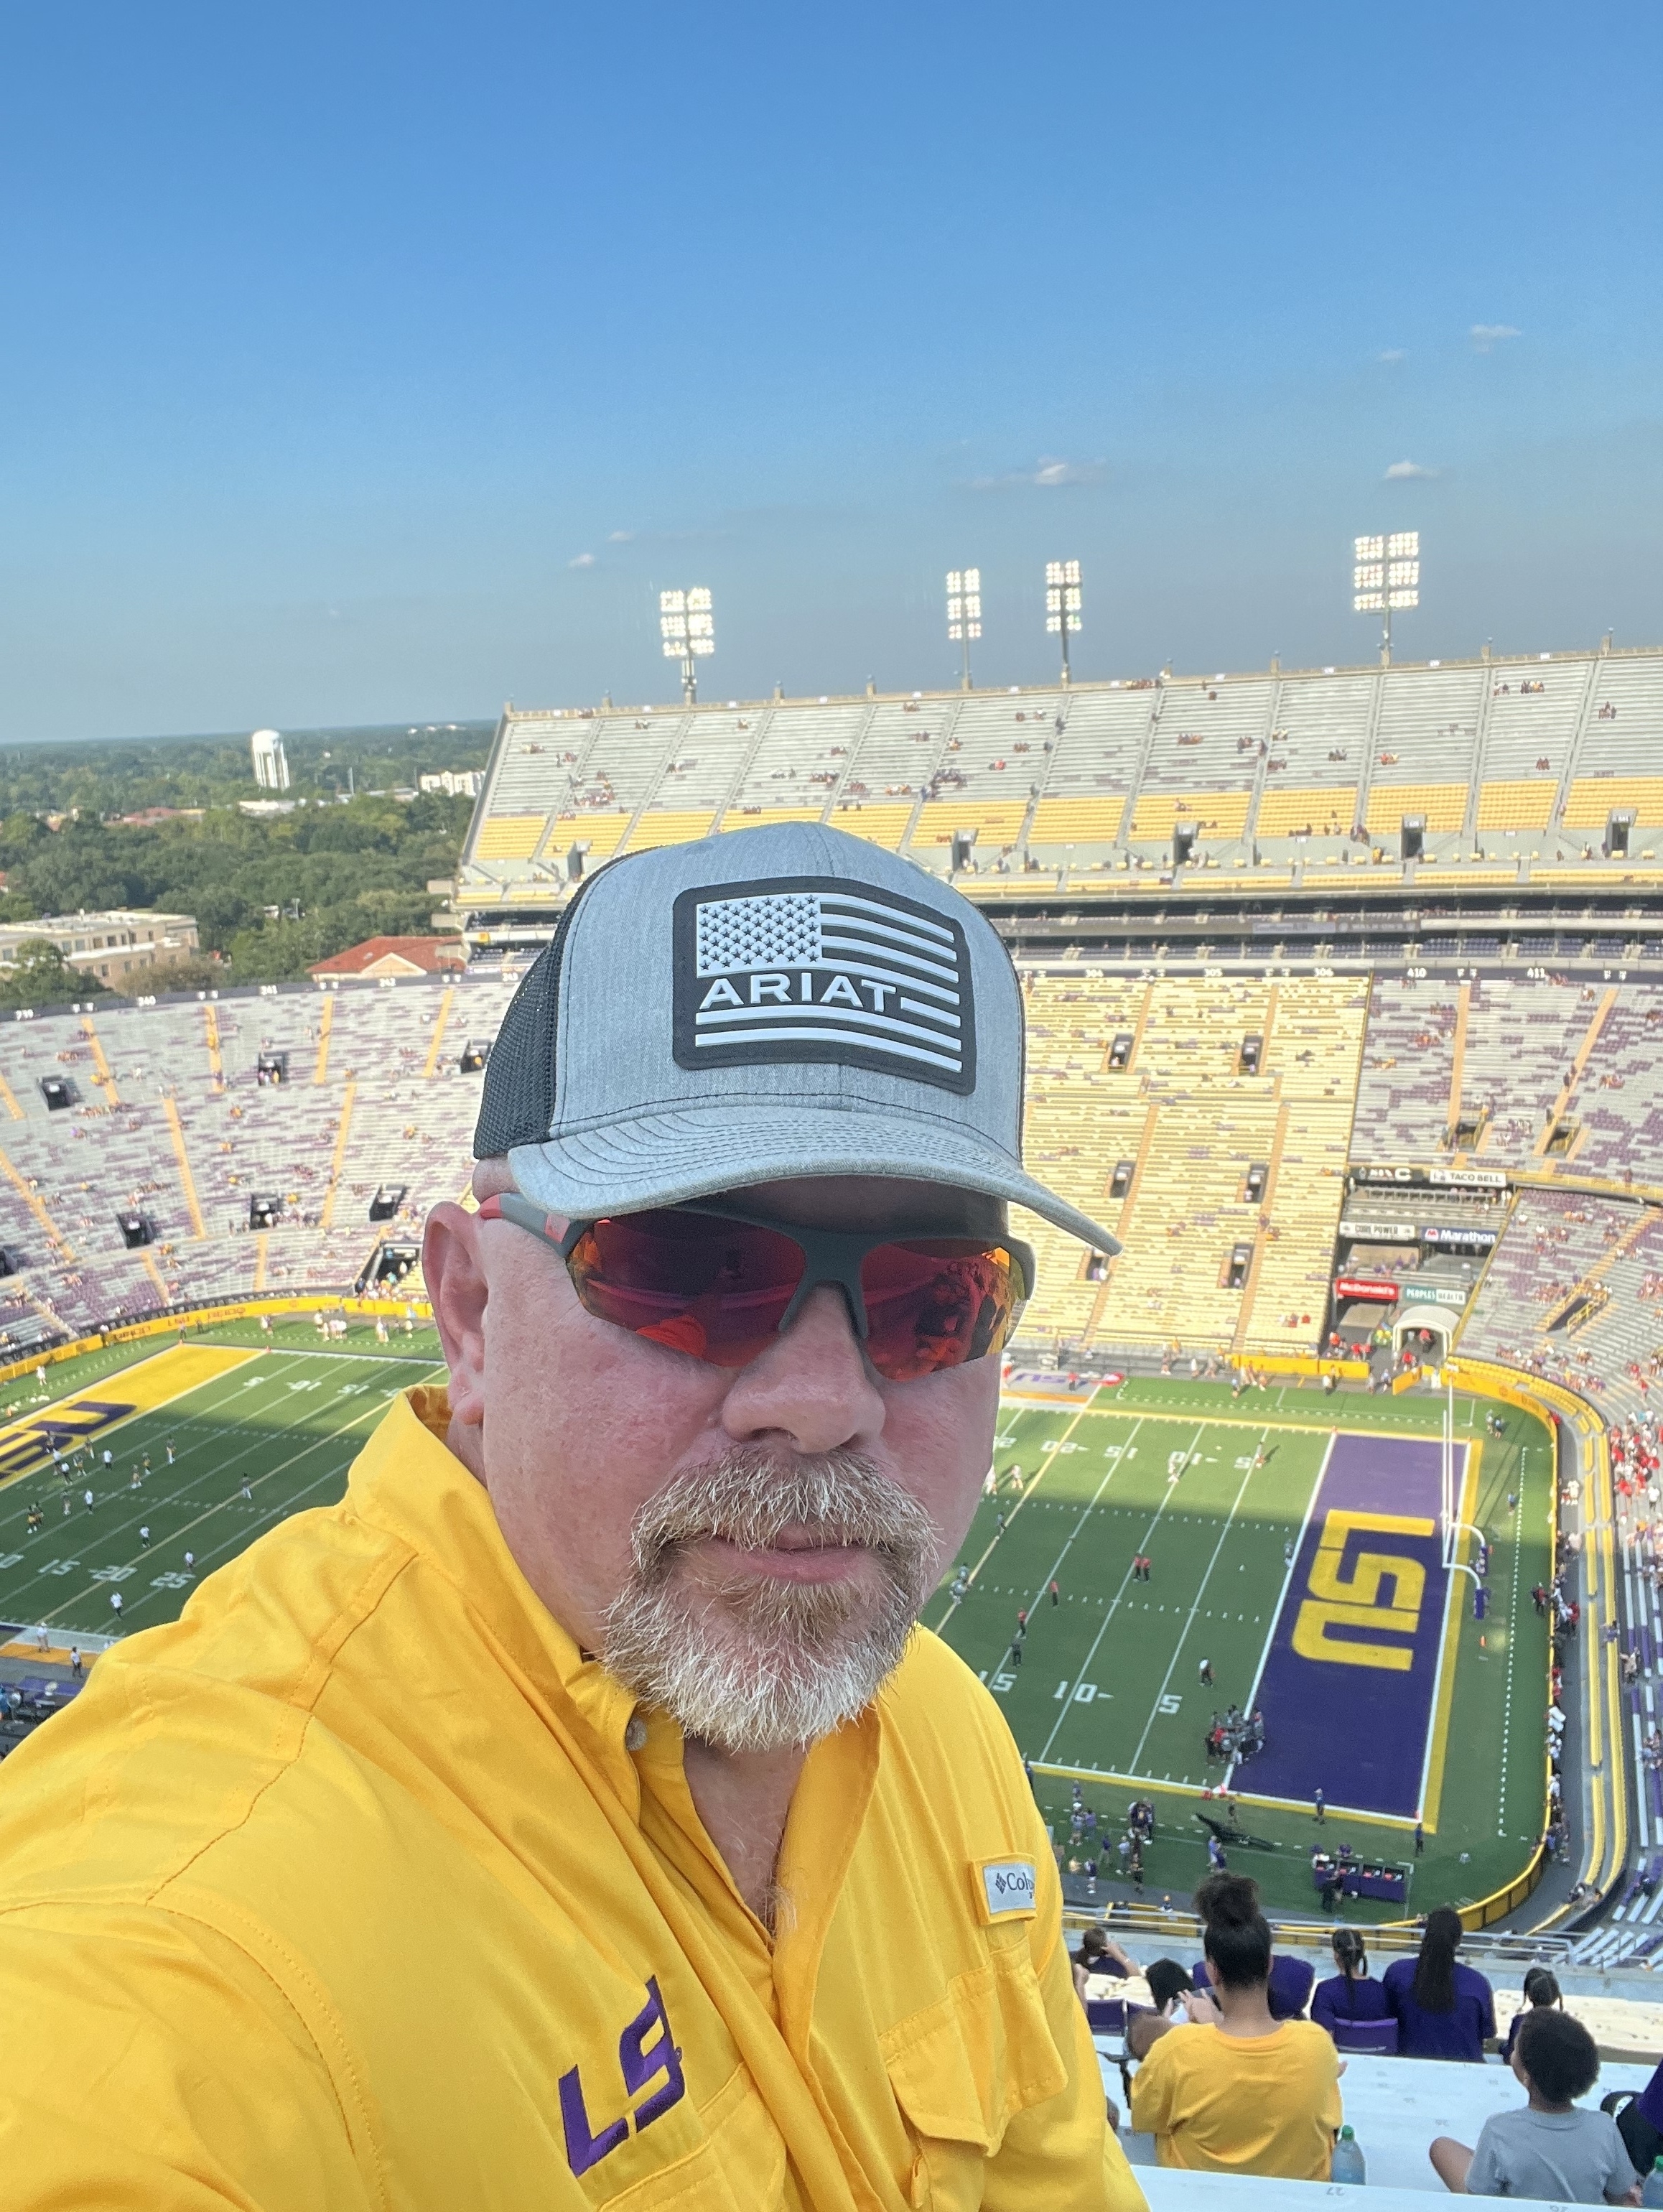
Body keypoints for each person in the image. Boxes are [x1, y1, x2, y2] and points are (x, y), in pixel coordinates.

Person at [0, 824, 1147, 2209]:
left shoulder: (941, 1731)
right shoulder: (193, 1956)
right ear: (470, 1311)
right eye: (693, 1271)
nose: (821, 1402)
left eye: (934, 1303)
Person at [1128, 1872, 1341, 2180]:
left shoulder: (1175, 2050)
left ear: (1212, 1972)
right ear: (1269, 1964)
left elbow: (1144, 2120)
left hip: (1197, 2196)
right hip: (1297, 2196)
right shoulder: (1316, 2045)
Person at [1430, 2006, 1639, 2202]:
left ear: (1527, 2076)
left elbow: (1479, 2195)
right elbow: (1619, 2193)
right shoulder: (1603, 2127)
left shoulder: (1500, 2129)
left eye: (1516, 2050)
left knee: (1442, 2147)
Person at [1384, 1905, 1496, 2060]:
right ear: (1458, 1940)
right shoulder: (1478, 1984)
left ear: (1426, 1935)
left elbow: (1386, 2021)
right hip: (1463, 2069)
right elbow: (1486, 2033)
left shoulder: (1397, 1973)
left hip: (1411, 2066)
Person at [1311, 1927, 1389, 2034]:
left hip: (1339, 2045)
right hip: (1376, 2045)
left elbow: (1324, 2036)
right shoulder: (1381, 1990)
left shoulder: (1325, 1991)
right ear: (1361, 1954)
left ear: (1336, 1955)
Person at [1499, 1967, 1563, 2064]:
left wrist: (1502, 2048)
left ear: (1529, 1995)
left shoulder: (1520, 2023)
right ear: (1556, 1996)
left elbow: (1510, 2056)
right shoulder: (1565, 2025)